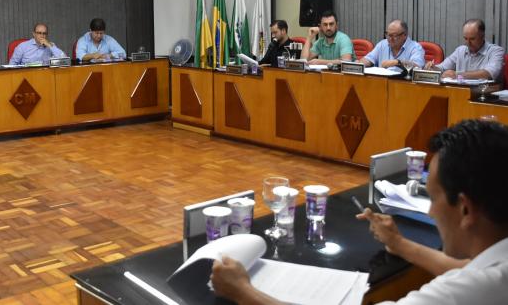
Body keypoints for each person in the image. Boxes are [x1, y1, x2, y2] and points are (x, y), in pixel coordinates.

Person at [211, 119, 508, 305]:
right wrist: (400, 244)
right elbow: (464, 269)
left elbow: (468, 280)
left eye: (433, 197)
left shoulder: (471, 292)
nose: (430, 211)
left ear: (466, 209)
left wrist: (243, 292)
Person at [425, 19, 504, 83]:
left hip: (485, 94)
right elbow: (442, 68)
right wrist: (434, 68)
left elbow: (489, 73)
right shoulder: (460, 50)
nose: (468, 43)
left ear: (482, 36)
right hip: (461, 92)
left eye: (472, 39)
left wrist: (457, 75)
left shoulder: (496, 51)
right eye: (465, 38)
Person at [359, 20, 425, 71]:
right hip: (381, 81)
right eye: (388, 35)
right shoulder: (382, 44)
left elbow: (417, 67)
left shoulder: (415, 47)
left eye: (394, 35)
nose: (390, 38)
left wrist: (398, 62)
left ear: (405, 35)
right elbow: (369, 59)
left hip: (403, 82)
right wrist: (359, 64)